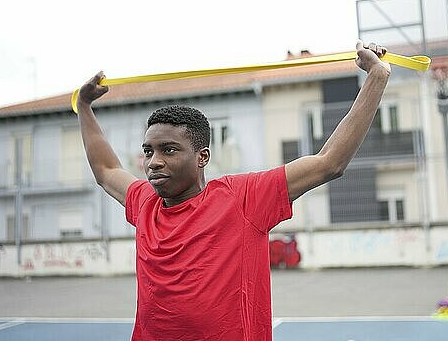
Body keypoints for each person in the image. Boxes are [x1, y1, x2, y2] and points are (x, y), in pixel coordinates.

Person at [76, 41, 391, 341]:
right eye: (148, 151)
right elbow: (106, 171)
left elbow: (329, 163)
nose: (154, 162)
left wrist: (376, 78)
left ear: (202, 157)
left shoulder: (243, 198)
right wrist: (85, 107)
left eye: (169, 150)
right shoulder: (144, 202)